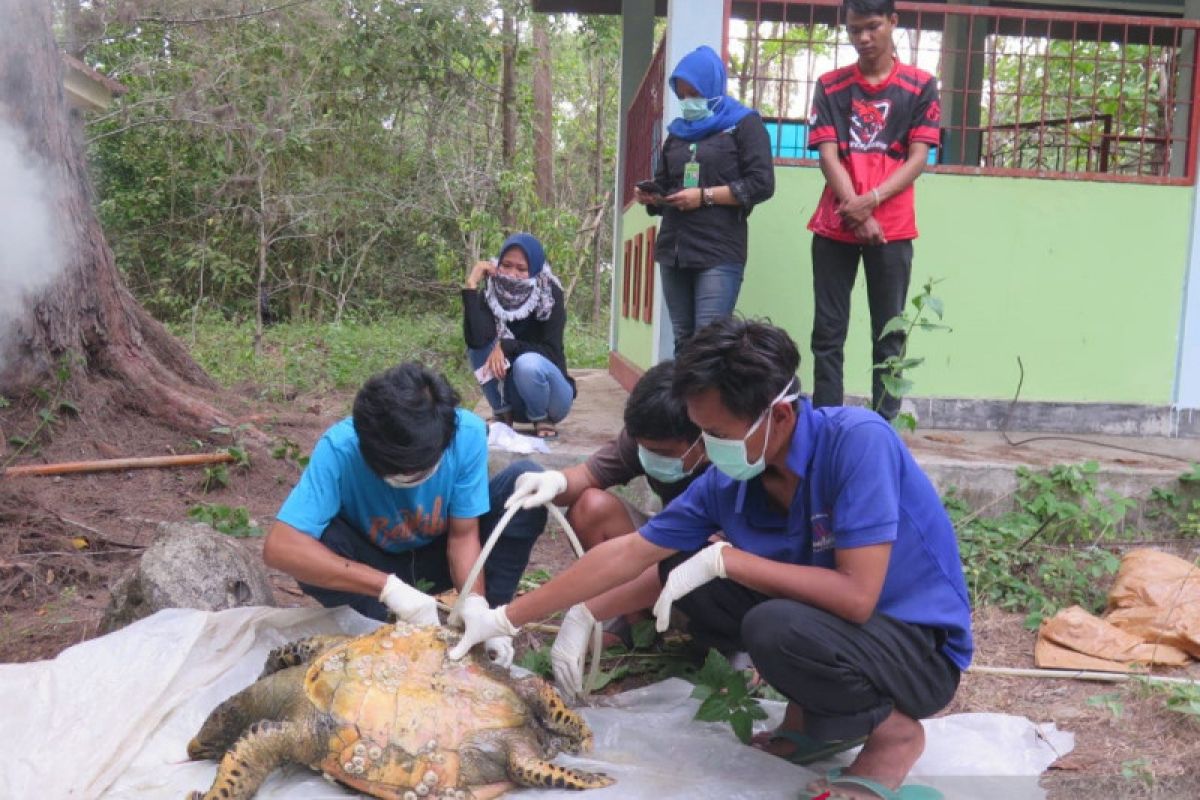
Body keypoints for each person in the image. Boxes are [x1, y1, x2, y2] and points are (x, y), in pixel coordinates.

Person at [450, 318, 972, 800]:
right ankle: (817, 721)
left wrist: (731, 561)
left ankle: (894, 735)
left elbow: (857, 598)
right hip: (842, 634)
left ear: (781, 415)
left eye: (717, 435)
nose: (708, 448)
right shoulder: (731, 482)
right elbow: (631, 551)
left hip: (914, 648)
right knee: (695, 582)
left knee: (772, 621)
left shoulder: (856, 444)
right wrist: (505, 618)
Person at [262, 362, 549, 667]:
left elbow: (464, 535)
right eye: (400, 472)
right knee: (316, 546)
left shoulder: (464, 434)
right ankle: (377, 630)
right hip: (370, 563)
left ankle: (486, 627)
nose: (409, 479)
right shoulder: (341, 448)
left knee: (525, 484)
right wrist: (387, 588)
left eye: (418, 471)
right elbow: (280, 546)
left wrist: (476, 602)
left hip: (436, 556)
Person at [502, 359, 709, 649]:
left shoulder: (732, 472)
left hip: (706, 558)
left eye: (661, 452)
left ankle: (719, 641)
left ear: (704, 437)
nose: (649, 456)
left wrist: (588, 609)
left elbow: (701, 559)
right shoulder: (647, 438)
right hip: (668, 540)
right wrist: (555, 482)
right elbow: (587, 474)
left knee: (691, 559)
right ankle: (637, 626)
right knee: (591, 507)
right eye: (643, 448)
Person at [807, 0, 941, 421]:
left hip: (893, 228)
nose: (863, 38)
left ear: (893, 23)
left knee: (890, 331)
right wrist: (856, 210)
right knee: (828, 331)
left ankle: (882, 427)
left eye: (872, 27)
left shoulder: (921, 86)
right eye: (853, 30)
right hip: (834, 227)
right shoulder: (830, 85)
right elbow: (828, 155)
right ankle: (828, 422)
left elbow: (918, 158)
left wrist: (872, 202)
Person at [635, 44, 775, 353]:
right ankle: (685, 404)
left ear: (712, 88)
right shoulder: (678, 133)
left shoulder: (744, 124)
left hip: (718, 252)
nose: (688, 102)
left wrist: (705, 196)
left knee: (709, 343)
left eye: (694, 94)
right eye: (682, 95)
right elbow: (666, 183)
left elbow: (762, 184)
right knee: (683, 340)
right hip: (674, 250)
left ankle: (712, 403)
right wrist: (653, 196)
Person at [463, 232, 576, 440]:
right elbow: (476, 340)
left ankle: (540, 418)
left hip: (552, 399)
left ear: (534, 268)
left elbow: (551, 352)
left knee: (527, 363)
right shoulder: (491, 290)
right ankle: (502, 413)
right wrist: (471, 285)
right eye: (506, 265)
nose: (512, 273)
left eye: (521, 268)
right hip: (514, 398)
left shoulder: (550, 294)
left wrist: (507, 346)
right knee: (477, 348)